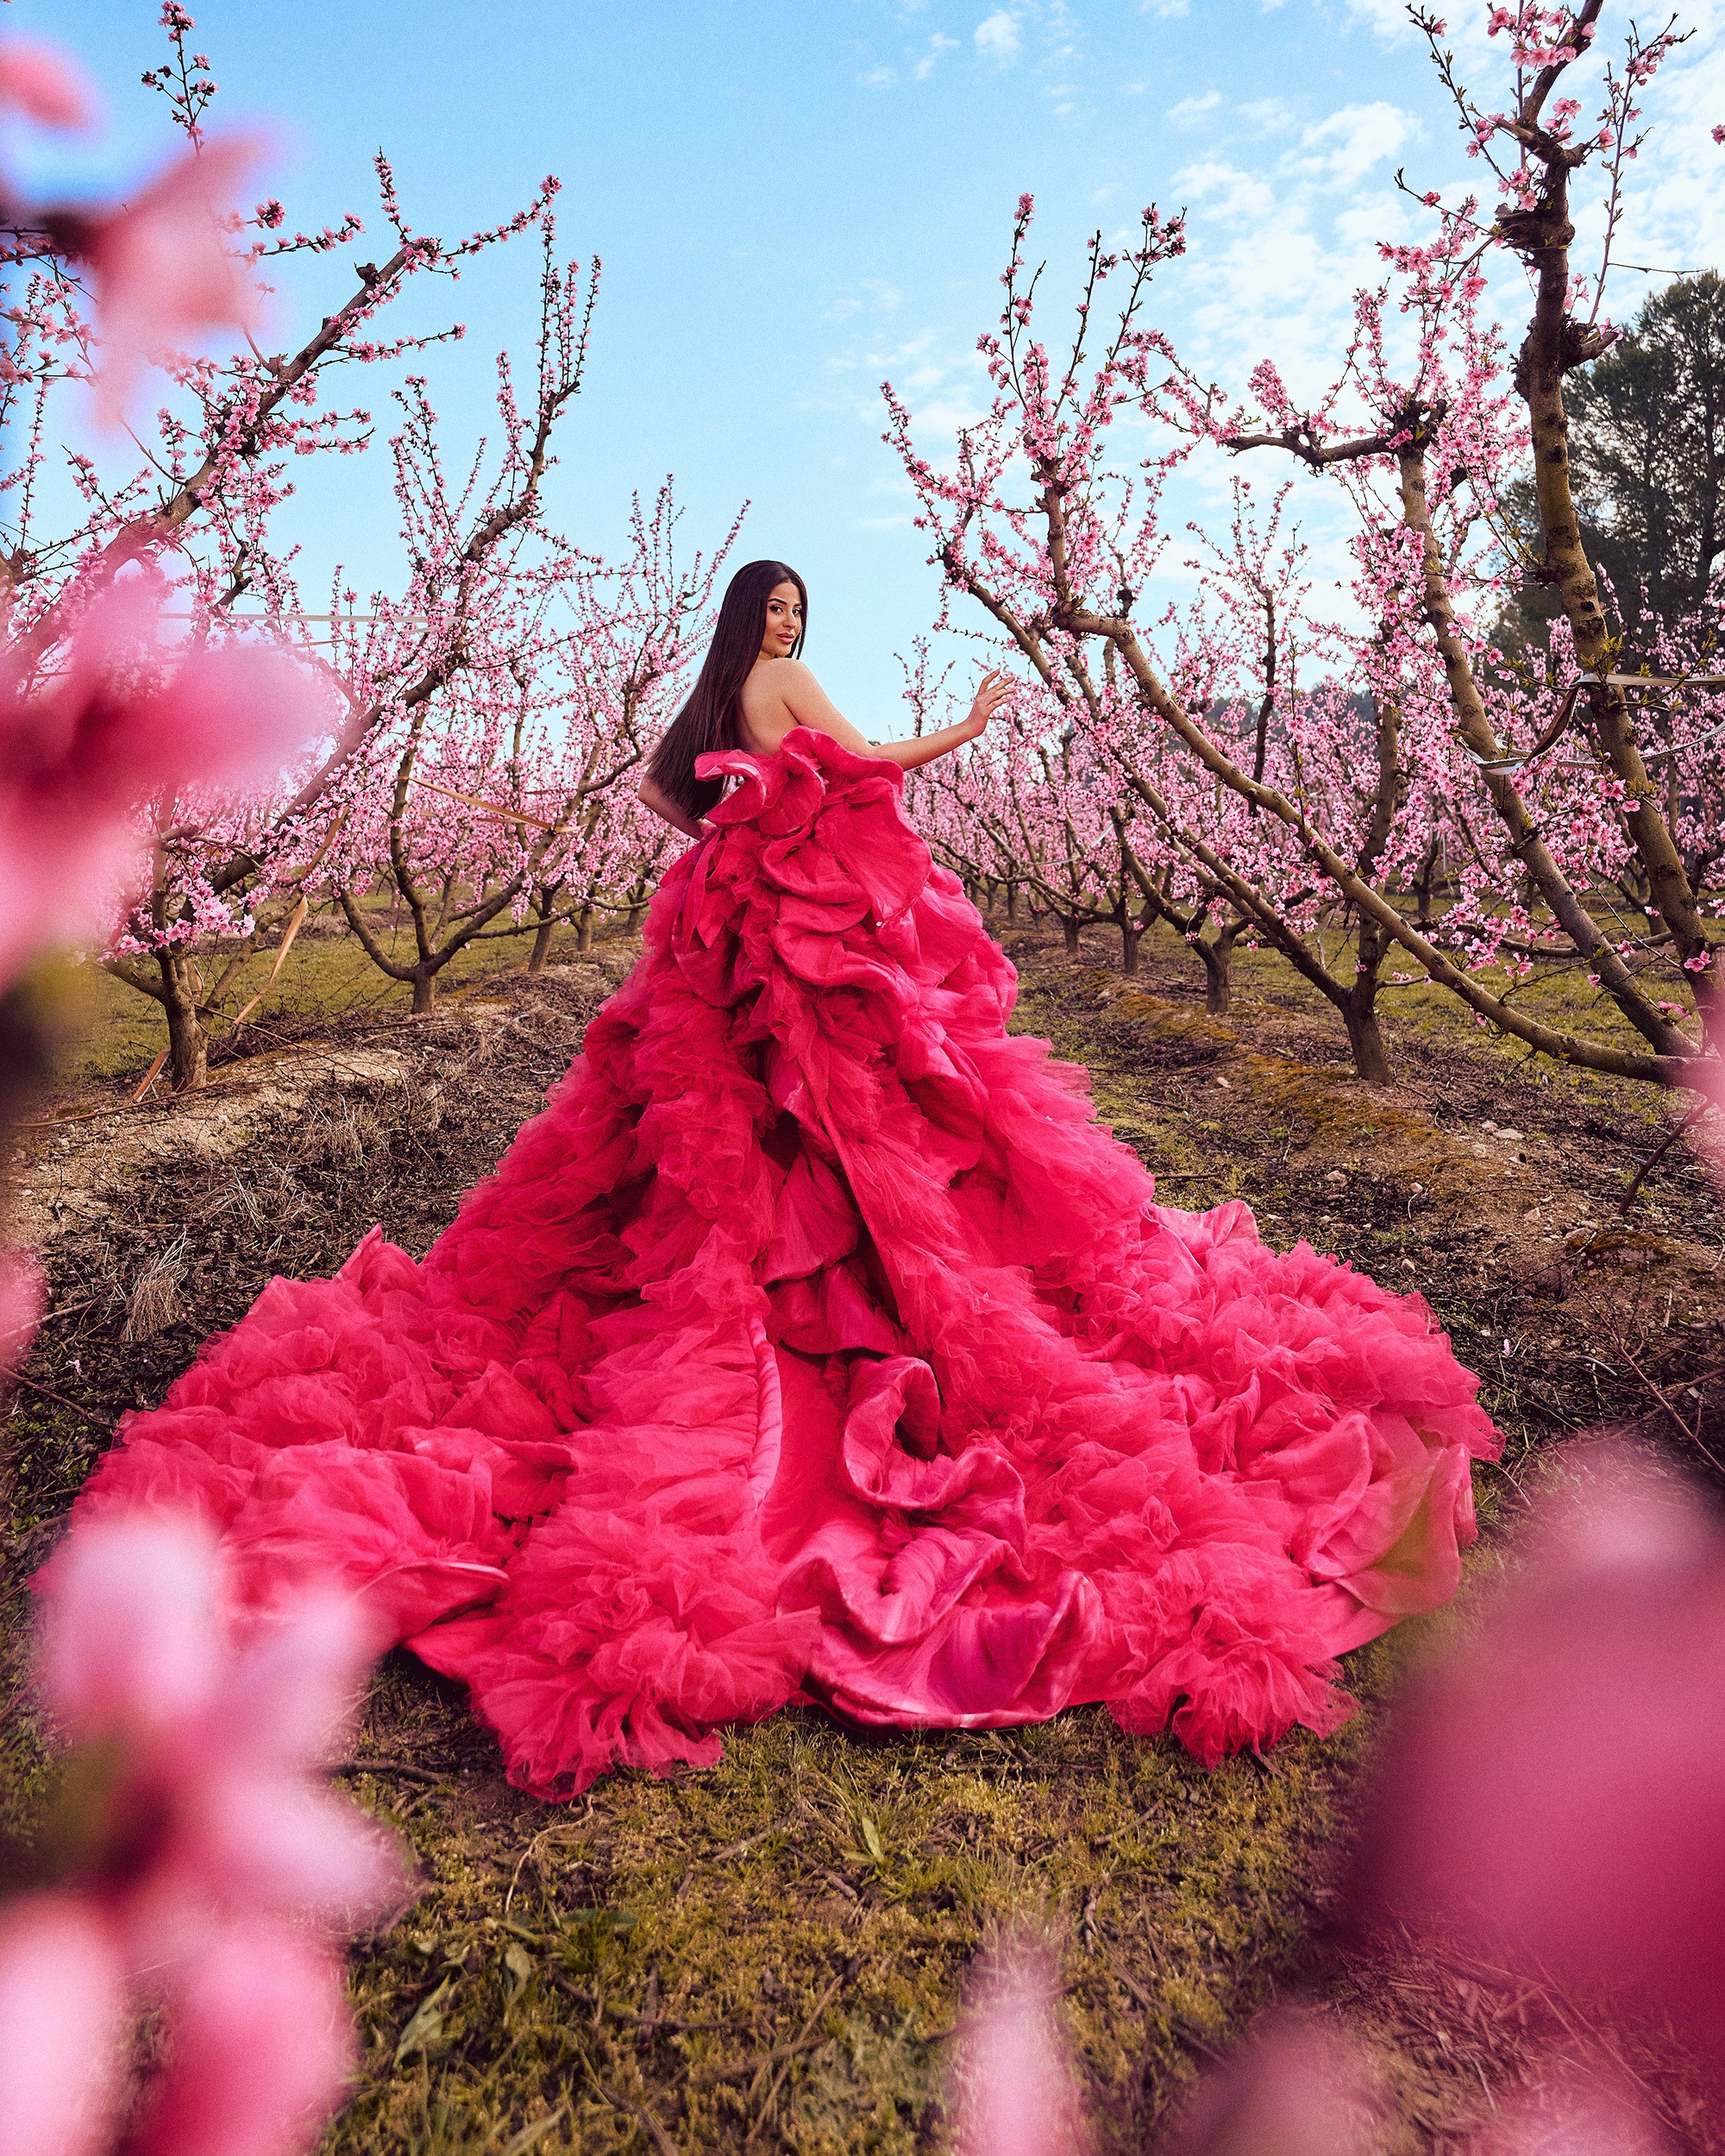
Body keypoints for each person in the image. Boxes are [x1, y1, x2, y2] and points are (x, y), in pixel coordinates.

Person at [67, 556, 1497, 1800]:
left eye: (801, 609)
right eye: (784, 608)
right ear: (758, 621)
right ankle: (839, 1310)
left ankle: (799, 1288)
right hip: (795, 935)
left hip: (735, 928)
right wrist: (975, 722)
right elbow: (875, 766)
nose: (794, 626)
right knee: (869, 1135)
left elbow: (692, 801)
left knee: (725, 1146)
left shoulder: (706, 719)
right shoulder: (795, 688)